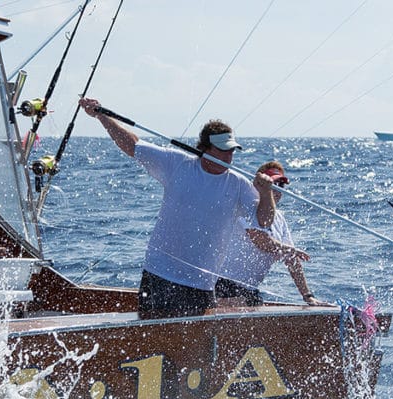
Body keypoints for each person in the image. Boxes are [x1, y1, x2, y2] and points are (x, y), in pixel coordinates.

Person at [78, 97, 275, 317]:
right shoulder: (178, 164)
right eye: (222, 150)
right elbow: (133, 145)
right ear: (204, 149)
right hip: (159, 274)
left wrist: (266, 194)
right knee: (152, 343)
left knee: (196, 350)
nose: (228, 156)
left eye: (232, 151)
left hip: (201, 285)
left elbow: (264, 221)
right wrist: (102, 115)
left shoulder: (240, 185)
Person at [216, 161, 324, 307]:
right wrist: (290, 250)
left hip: (249, 290)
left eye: (281, 185)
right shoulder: (247, 207)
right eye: (273, 184)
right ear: (259, 185)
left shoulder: (280, 219)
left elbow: (292, 260)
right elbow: (262, 241)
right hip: (223, 285)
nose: (277, 189)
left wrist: (308, 296)